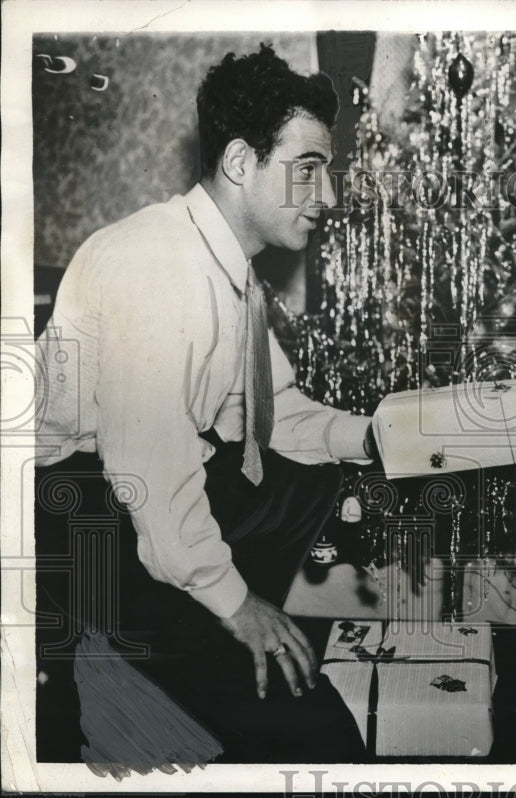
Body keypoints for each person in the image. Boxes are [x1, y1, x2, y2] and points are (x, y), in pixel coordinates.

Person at [34, 44, 374, 763]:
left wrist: (380, 438)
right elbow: (151, 479)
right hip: (80, 537)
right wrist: (237, 605)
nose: (329, 196)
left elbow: (279, 418)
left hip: (141, 529)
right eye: (308, 168)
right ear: (242, 163)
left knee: (301, 483)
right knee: (316, 739)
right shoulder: (157, 267)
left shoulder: (225, 272)